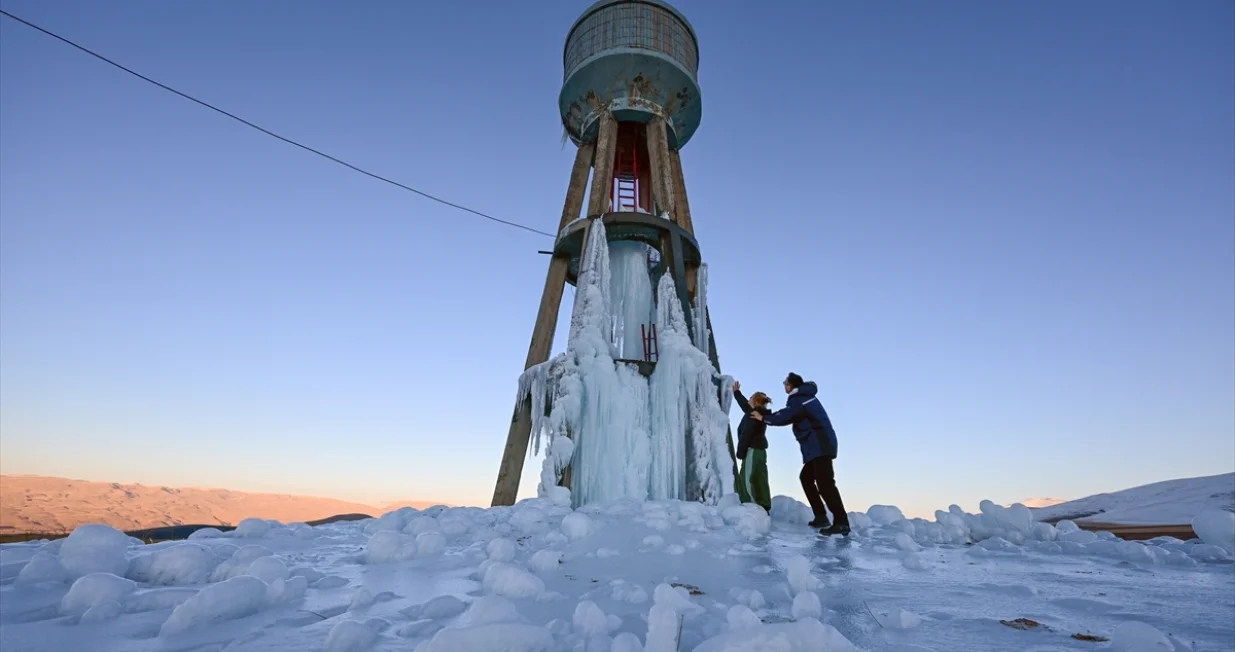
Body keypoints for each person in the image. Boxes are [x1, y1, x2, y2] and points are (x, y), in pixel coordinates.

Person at [751, 372, 850, 535]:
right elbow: (787, 412)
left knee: (825, 484)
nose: (784, 385)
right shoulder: (802, 398)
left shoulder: (800, 398)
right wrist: (766, 415)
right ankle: (821, 516)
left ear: (791, 385)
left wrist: (763, 418)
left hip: (820, 445)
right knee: (806, 478)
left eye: (785, 383)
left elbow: (786, 416)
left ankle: (841, 522)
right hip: (818, 446)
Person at [731, 381, 772, 513]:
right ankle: (764, 503)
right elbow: (745, 406)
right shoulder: (758, 413)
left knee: (747, 476)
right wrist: (737, 393)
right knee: (760, 477)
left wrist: (740, 452)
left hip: (752, 450)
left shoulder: (753, 416)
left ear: (755, 402)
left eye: (750, 398)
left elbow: (746, 435)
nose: (748, 399)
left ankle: (750, 504)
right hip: (760, 451)